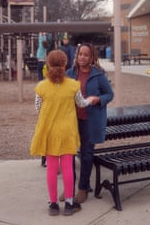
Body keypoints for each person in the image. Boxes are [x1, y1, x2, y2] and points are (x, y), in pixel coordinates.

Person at [30, 50, 99, 216]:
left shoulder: (41, 87)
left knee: (52, 169)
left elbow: (38, 109)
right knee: (68, 168)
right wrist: (91, 99)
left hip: (49, 132)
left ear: (47, 65)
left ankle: (53, 204)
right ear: (65, 65)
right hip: (68, 131)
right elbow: (81, 104)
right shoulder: (73, 85)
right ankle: (69, 203)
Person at [65, 43, 114, 204]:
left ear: (92, 57)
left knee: (86, 154)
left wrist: (98, 99)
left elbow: (109, 94)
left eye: (86, 54)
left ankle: (83, 188)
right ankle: (69, 189)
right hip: (71, 120)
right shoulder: (69, 73)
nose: (82, 57)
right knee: (68, 154)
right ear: (76, 55)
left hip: (90, 121)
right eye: (80, 54)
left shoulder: (98, 75)